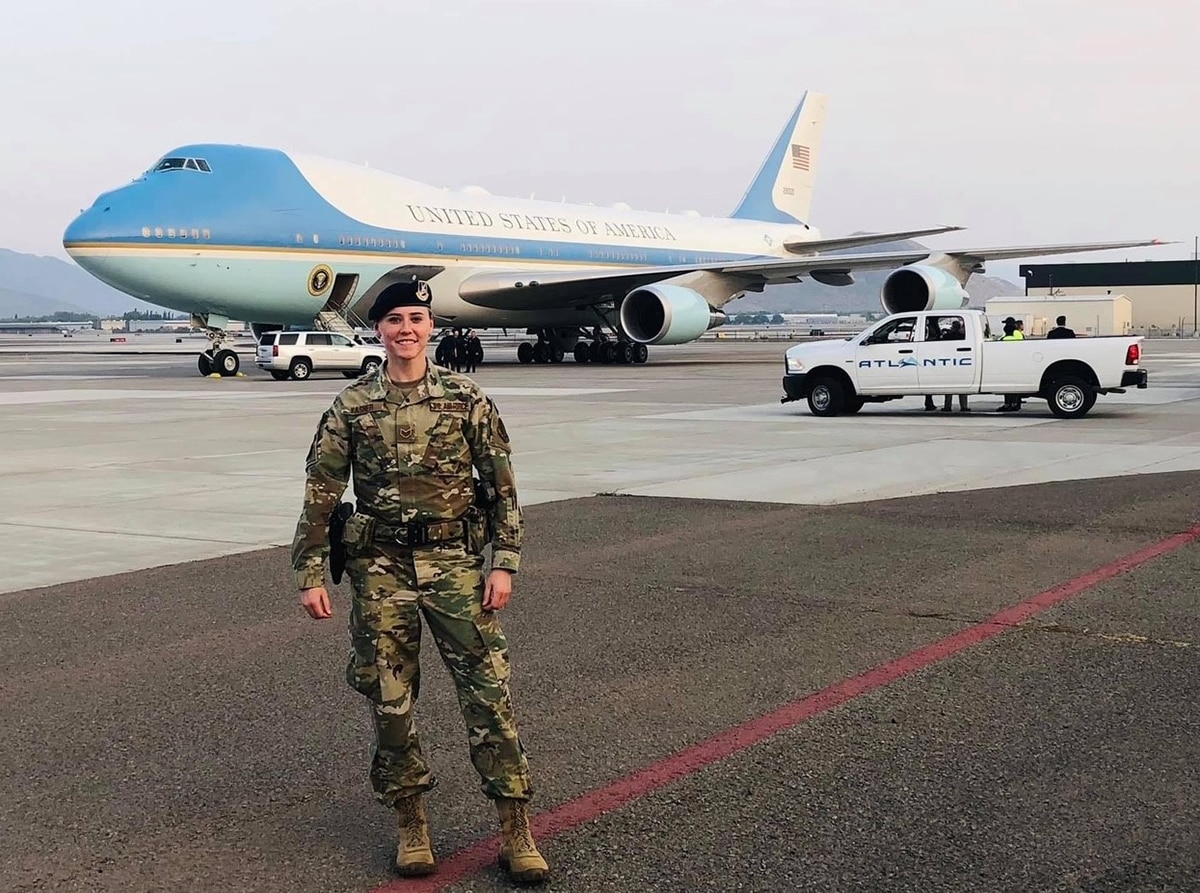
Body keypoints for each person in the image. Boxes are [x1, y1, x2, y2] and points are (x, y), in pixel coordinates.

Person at [291, 279, 548, 883]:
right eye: (394, 320)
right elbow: (321, 495)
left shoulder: (467, 400)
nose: (406, 329)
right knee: (390, 702)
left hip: (456, 567)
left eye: (416, 318)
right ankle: (411, 823)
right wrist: (309, 573)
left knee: (488, 697)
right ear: (377, 330)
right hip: (380, 571)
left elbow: (503, 487)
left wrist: (504, 561)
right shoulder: (351, 406)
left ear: (431, 327)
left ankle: (516, 826)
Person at [997, 317, 1025, 411]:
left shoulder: (1005, 335)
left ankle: (1008, 404)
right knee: (1015, 386)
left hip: (1007, 363)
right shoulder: (1019, 334)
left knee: (1008, 387)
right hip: (1018, 363)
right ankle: (1015, 404)